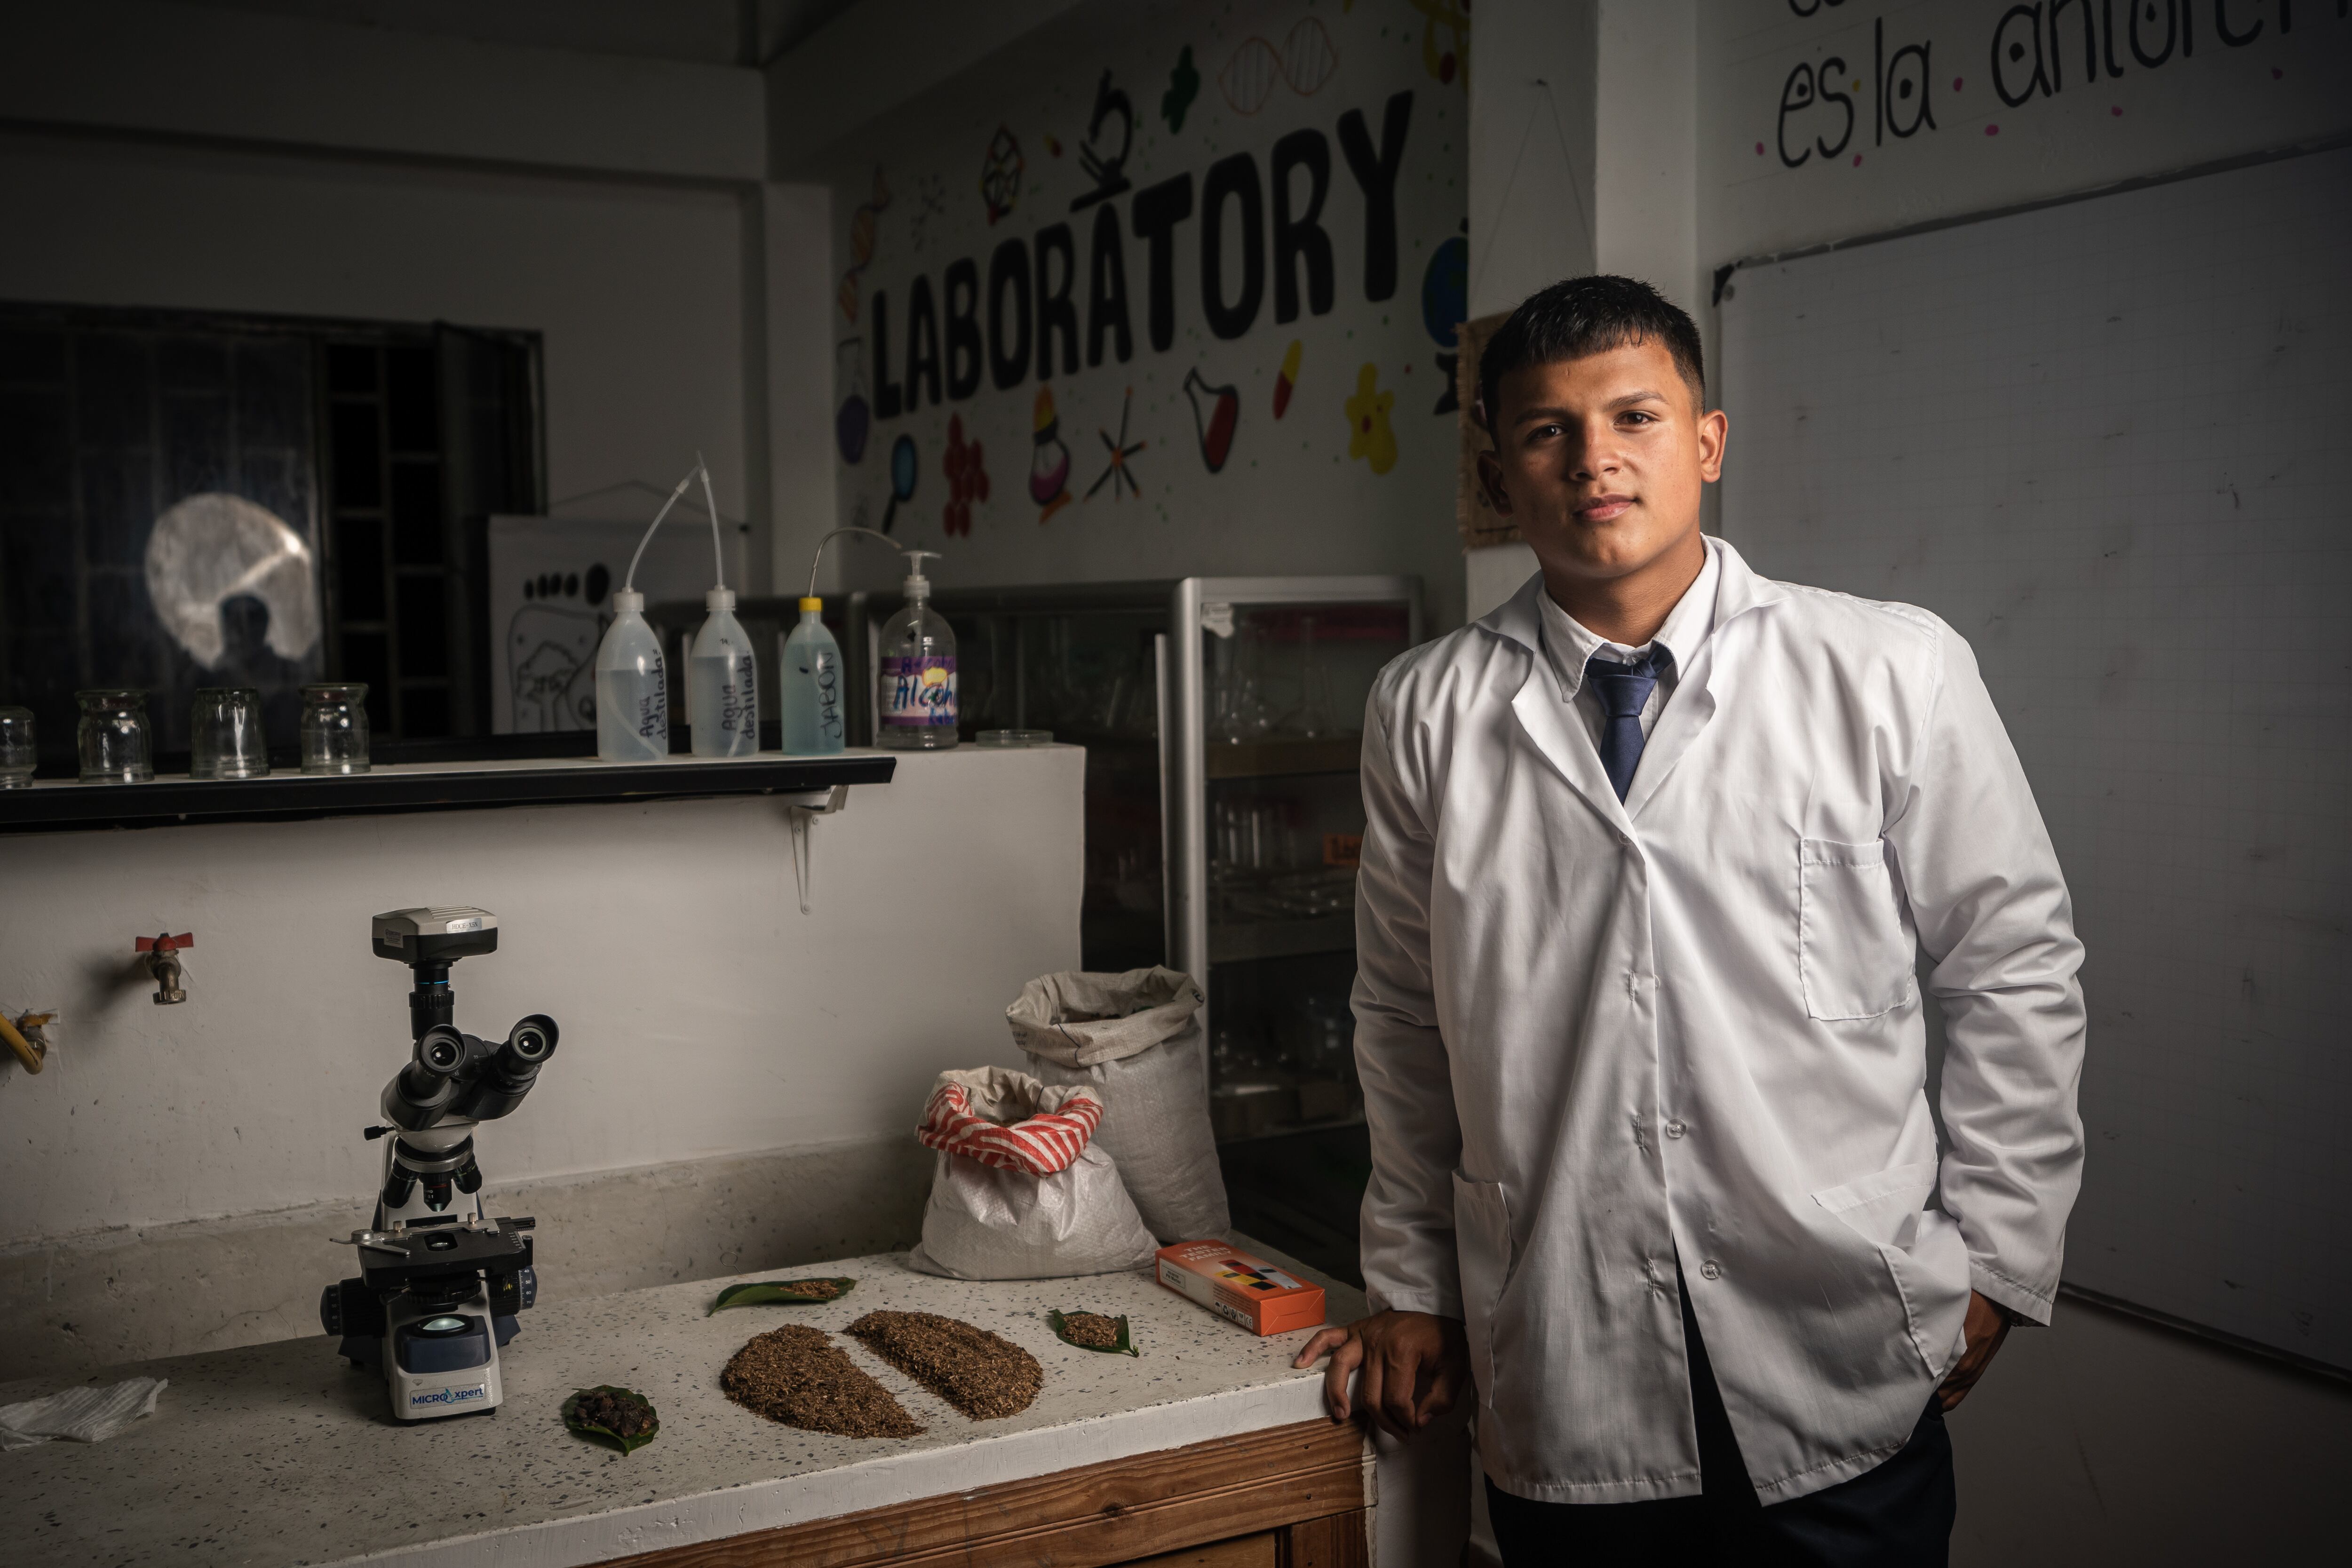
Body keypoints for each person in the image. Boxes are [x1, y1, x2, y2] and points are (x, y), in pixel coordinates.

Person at [1293, 276, 2085, 1564]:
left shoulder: (1887, 670)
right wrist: (1413, 1285)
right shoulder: (1426, 709)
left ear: (1707, 441)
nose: (1595, 460)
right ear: (1503, 472)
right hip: (1565, 1352)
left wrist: (2000, 1259)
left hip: (1842, 1347)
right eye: (1548, 430)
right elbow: (1398, 1016)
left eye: (1635, 417)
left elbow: (2012, 964)